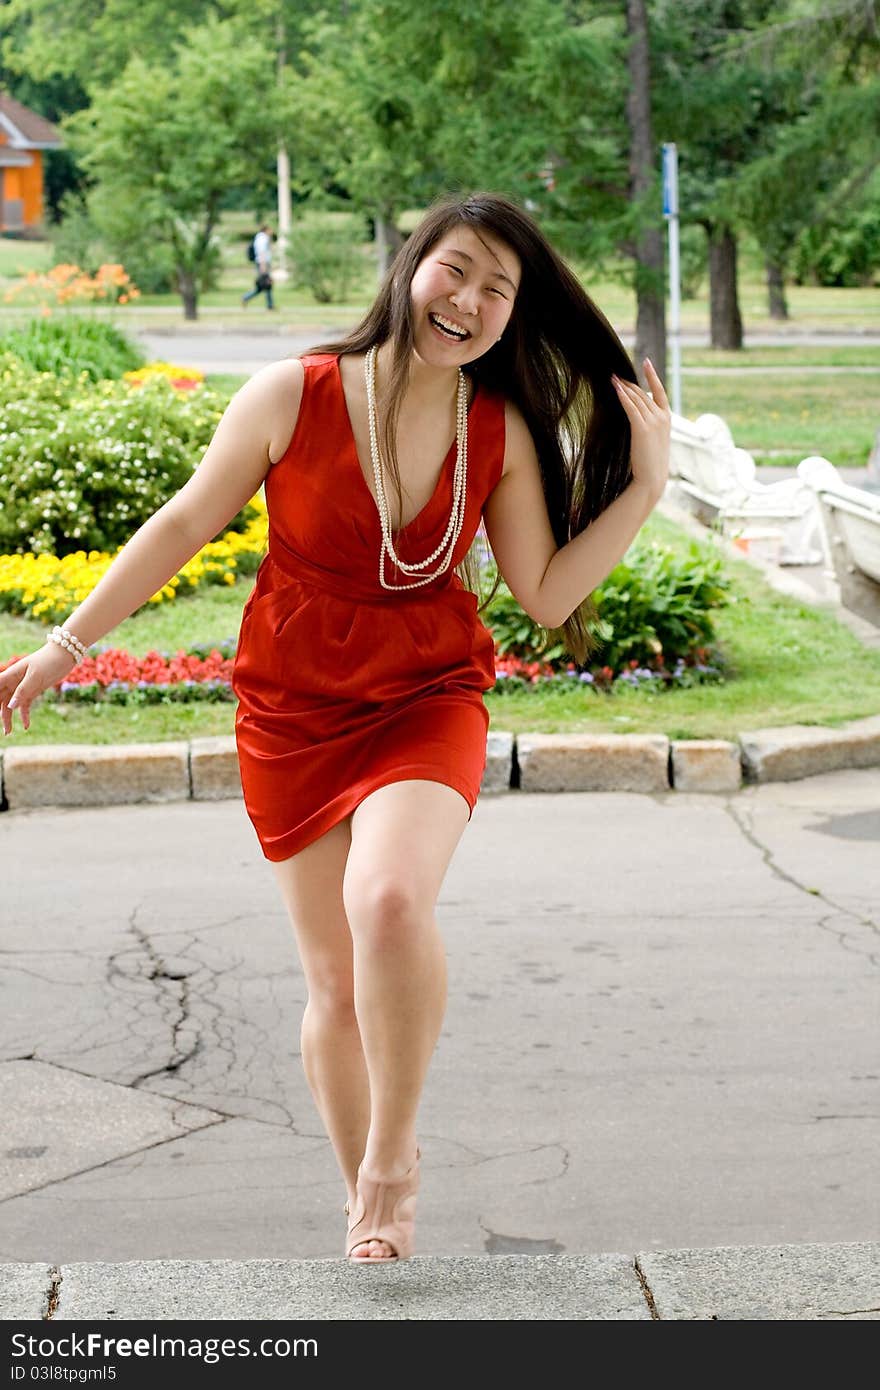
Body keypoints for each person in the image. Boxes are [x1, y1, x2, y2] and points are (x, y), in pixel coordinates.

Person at [0, 191, 671, 1264]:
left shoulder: (490, 428)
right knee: (332, 983)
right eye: (458, 269)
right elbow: (183, 520)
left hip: (425, 693)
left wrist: (641, 485)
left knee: (391, 897)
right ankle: (366, 1197)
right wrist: (65, 646)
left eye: (499, 290)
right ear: (413, 267)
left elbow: (543, 594)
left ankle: (394, 1158)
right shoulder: (294, 392)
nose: (472, 300)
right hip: (294, 705)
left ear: (511, 318)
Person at [242, 223, 274, 309]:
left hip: (263, 263)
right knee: (265, 284)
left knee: (266, 284)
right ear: (266, 229)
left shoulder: (263, 238)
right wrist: (263, 266)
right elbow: (261, 252)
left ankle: (270, 304)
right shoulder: (262, 238)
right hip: (262, 263)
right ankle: (246, 297)